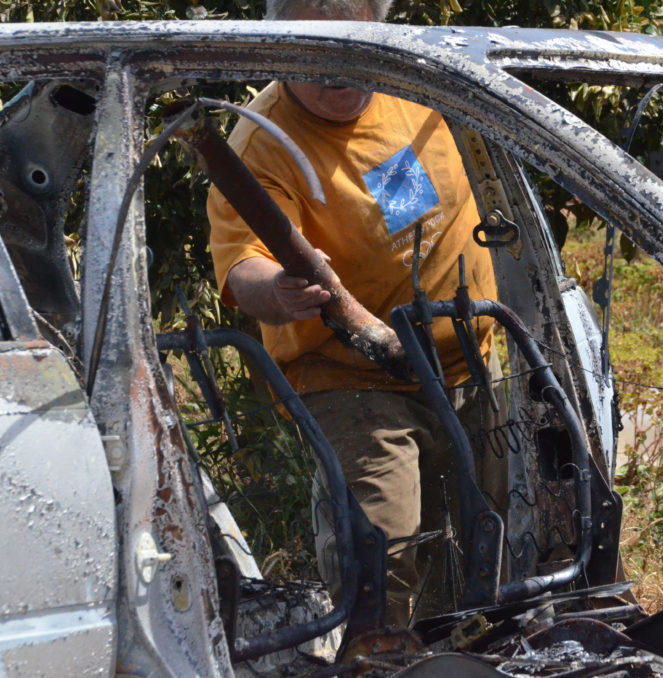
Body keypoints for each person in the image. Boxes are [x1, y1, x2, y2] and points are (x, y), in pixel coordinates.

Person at [207, 0, 507, 626]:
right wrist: (280, 289)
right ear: (282, 44)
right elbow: (243, 264)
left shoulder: (416, 82)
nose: (336, 67)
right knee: (383, 555)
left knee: (493, 549)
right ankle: (377, 658)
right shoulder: (260, 142)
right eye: (314, 48)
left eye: (351, 38)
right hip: (354, 376)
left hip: (472, 362)